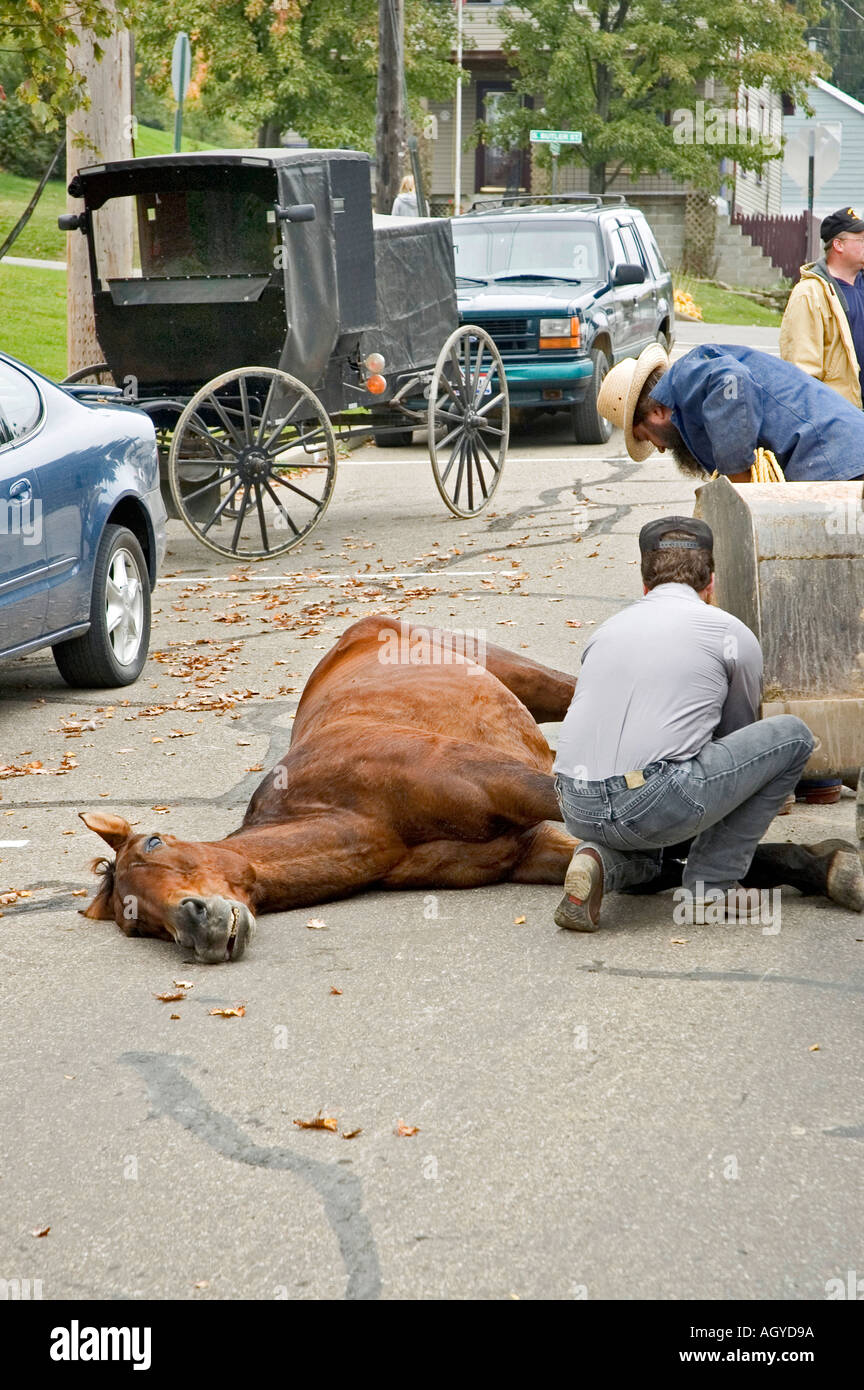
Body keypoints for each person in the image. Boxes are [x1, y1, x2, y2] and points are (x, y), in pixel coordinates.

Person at [552, 516, 819, 929]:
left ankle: (595, 861)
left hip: (575, 803)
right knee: (793, 736)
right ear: (710, 583)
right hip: (652, 800)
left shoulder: (604, 632)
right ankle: (711, 885)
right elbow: (736, 738)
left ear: (644, 585)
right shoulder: (731, 634)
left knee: (641, 823)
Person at [596, 341, 864, 481]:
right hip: (835, 457)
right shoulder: (688, 393)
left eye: (645, 437)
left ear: (656, 413)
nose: (661, 448)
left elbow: (731, 379)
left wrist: (739, 479)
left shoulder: (688, 374)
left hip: (837, 461)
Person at [779, 206, 864, 408]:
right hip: (839, 417)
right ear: (838, 245)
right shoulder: (809, 294)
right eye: (861, 240)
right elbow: (801, 371)